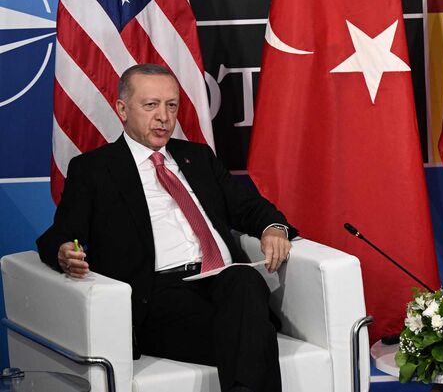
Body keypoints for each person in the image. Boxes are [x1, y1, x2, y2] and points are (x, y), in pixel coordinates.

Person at [37, 64, 296, 392]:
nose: (163, 116)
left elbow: (249, 208)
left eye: (171, 105)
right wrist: (63, 251)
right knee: (250, 333)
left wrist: (274, 228)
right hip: (158, 298)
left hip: (224, 286)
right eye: (150, 105)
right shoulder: (94, 170)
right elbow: (61, 233)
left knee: (243, 278)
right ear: (122, 109)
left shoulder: (198, 158)